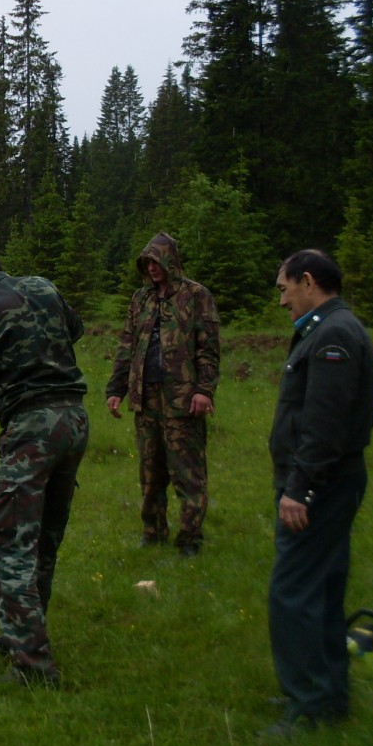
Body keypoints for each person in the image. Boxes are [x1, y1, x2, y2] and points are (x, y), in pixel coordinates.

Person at [0, 240, 89, 687]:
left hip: (32, 429)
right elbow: (76, 329)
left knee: (10, 544)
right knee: (43, 539)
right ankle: (21, 636)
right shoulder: (44, 287)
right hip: (74, 422)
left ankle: (32, 667)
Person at [263, 249, 373, 737]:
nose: (283, 299)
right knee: (325, 588)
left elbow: (325, 424)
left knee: (293, 591)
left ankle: (309, 704)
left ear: (308, 281)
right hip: (329, 481)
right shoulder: (331, 328)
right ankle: (326, 694)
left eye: (285, 288)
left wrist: (300, 490)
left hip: (321, 484)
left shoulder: (333, 336)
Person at [106, 233, 220, 555]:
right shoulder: (140, 299)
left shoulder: (197, 296)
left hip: (183, 399)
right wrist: (117, 390)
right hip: (146, 399)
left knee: (187, 472)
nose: (152, 268)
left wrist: (204, 390)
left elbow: (209, 349)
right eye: (147, 263)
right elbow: (127, 346)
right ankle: (153, 532)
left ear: (170, 261)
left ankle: (190, 539)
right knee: (150, 473)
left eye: (157, 262)